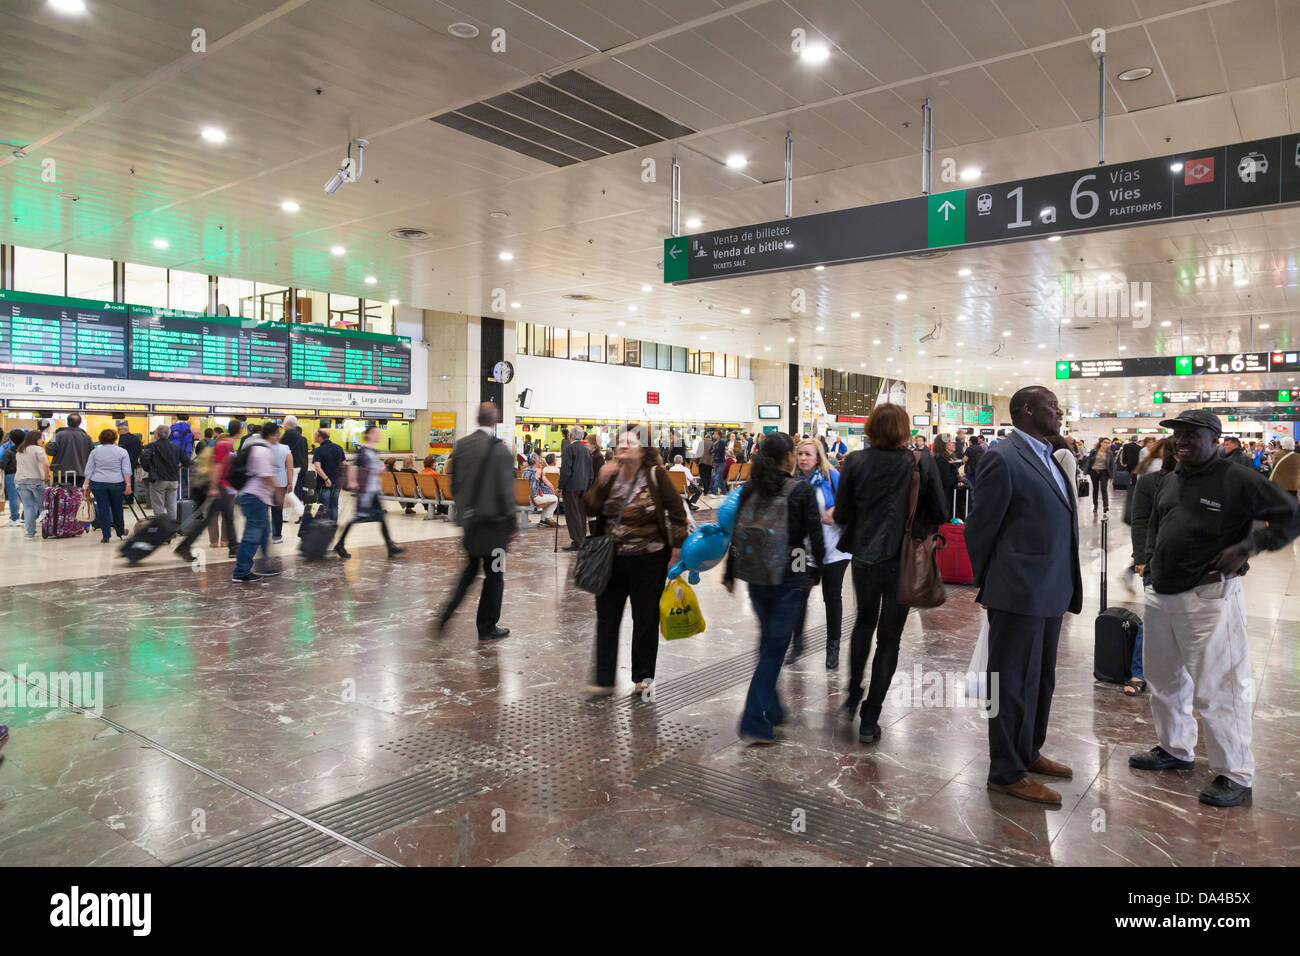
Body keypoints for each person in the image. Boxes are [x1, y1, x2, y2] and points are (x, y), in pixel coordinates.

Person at [1128, 410, 1300, 807]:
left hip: (1209, 596)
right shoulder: (1171, 480)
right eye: (1177, 435)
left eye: (1192, 434)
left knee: (1220, 687)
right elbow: (1156, 522)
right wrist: (1150, 563)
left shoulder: (1237, 478)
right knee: (1163, 679)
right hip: (1161, 593)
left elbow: (1291, 516)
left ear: (1216, 438)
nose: (1181, 441)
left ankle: (1235, 772)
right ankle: (1175, 749)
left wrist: (1247, 547)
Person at [965, 386, 1082, 807]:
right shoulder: (1004, 457)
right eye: (1053, 406)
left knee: (1040, 680)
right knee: (1011, 682)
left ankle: (1029, 750)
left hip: (1050, 588)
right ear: (1028, 411)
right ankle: (1006, 771)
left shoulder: (1047, 455)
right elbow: (980, 527)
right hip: (1018, 591)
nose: (1059, 412)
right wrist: (996, 579)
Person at [834, 404, 948, 742]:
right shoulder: (918, 461)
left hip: (865, 558)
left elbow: (842, 513)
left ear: (870, 427)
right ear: (904, 429)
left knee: (863, 623)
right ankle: (871, 717)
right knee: (890, 638)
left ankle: (853, 690)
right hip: (902, 562)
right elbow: (940, 511)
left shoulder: (854, 461)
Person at [724, 433, 825, 743]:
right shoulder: (801, 489)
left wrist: (730, 571)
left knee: (769, 640)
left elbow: (737, 530)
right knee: (774, 647)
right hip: (790, 575)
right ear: (788, 458)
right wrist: (816, 570)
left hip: (756, 575)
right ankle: (754, 720)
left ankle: (775, 708)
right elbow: (814, 536)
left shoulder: (750, 488)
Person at [584, 424, 689, 698]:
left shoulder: (655, 476)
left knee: (645, 618)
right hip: (611, 561)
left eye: (631, 442)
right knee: (607, 618)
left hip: (649, 560)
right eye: (621, 441)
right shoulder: (610, 474)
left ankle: (643, 675)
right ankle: (604, 678)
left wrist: (676, 551)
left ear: (643, 450)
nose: (624, 445)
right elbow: (590, 508)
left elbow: (677, 514)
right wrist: (600, 480)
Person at [436, 403, 516, 640]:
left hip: (472, 526)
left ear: (477, 418)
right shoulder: (500, 450)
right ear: (495, 422)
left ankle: (447, 612)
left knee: (470, 571)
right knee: (495, 576)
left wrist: (466, 513)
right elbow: (505, 492)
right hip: (496, 530)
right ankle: (487, 626)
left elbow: (454, 485)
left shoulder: (461, 445)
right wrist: (512, 524)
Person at [789, 438, 850, 668]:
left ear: (818, 457)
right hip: (801, 549)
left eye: (808, 454)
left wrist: (835, 509)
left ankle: (832, 647)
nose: (803, 458)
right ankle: (797, 643)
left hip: (834, 549)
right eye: (800, 453)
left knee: (832, 598)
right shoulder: (792, 480)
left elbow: (850, 501)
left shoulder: (831, 477)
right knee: (797, 595)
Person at [1127, 439, 1178, 697]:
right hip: (1157, 560)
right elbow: (1140, 521)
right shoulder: (1150, 482)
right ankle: (1139, 671)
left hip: (1196, 568)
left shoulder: (1208, 482)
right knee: (1154, 619)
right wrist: (1141, 558)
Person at [334, 425, 404, 560]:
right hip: (366, 493)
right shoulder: (363, 450)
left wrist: (380, 469)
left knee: (381, 517)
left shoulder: (373, 451)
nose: (379, 435)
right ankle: (340, 544)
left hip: (374, 491)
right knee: (358, 518)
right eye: (376, 433)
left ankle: (390, 546)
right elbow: (354, 466)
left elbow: (374, 468)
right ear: (369, 435)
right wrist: (353, 481)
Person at [175, 420, 240, 562]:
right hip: (217, 487)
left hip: (218, 486)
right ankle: (184, 546)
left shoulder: (223, 444)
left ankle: (234, 547)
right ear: (239, 431)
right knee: (210, 520)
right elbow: (217, 466)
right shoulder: (225, 445)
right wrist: (213, 487)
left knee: (226, 517)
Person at [231, 422, 283, 583]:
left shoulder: (257, 446)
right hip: (254, 497)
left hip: (255, 496)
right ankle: (241, 571)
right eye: (277, 434)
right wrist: (278, 493)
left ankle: (266, 564)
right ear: (272, 435)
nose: (279, 438)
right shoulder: (262, 451)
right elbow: (267, 476)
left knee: (264, 531)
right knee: (252, 534)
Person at [83, 428, 132, 542]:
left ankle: (106, 535)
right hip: (117, 483)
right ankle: (120, 531)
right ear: (115, 438)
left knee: (103, 508)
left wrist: (86, 485)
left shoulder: (95, 452)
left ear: (100, 439)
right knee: (117, 508)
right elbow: (126, 470)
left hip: (98, 483)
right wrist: (128, 484)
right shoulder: (122, 452)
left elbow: (89, 469)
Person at [140, 424, 189, 520]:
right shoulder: (176, 447)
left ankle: (161, 529)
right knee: (172, 506)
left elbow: (144, 458)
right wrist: (179, 466)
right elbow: (187, 462)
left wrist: (149, 469)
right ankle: (172, 530)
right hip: (173, 480)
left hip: (158, 479)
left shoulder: (152, 446)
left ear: (157, 435)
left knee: (158, 506)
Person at [559, 425, 594, 552]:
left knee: (573, 515)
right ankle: (582, 539)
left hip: (571, 487)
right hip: (584, 486)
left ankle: (577, 542)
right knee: (581, 514)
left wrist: (560, 486)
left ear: (570, 436)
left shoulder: (569, 449)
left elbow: (566, 470)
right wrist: (588, 485)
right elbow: (591, 472)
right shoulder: (586, 451)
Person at [13, 429, 50, 538]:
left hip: (20, 481)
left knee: (28, 507)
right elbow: (46, 464)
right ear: (37, 439)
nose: (42, 441)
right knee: (43, 507)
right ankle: (47, 530)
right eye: (41, 439)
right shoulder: (38, 449)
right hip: (36, 481)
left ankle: (30, 532)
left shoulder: (20, 450)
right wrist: (46, 477)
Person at [45, 413, 93, 486]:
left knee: (61, 495)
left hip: (61, 473)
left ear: (67, 422)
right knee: (76, 495)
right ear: (80, 423)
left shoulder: (56, 434)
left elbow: (49, 451)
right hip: (80, 473)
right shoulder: (87, 437)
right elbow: (91, 455)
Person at [311, 428, 345, 522]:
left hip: (324, 484)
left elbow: (317, 468)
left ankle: (324, 530)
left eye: (315, 435)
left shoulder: (318, 450)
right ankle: (333, 526)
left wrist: (326, 479)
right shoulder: (339, 448)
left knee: (324, 506)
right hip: (337, 482)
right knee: (334, 506)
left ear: (320, 437)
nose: (314, 437)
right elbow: (344, 465)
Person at [268, 424, 294, 543]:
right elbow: (290, 468)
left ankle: (262, 536)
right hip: (281, 482)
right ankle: (276, 536)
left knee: (263, 509)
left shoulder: (263, 447)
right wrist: (290, 483)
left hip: (265, 482)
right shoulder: (285, 448)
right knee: (277, 510)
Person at [521, 453, 558, 526]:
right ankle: (548, 518)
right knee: (554, 498)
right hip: (534, 499)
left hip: (524, 498)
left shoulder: (524, 471)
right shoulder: (538, 471)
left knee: (548, 498)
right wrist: (553, 492)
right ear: (536, 462)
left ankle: (543, 520)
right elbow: (550, 485)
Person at [281, 415, 309, 504]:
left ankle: (299, 510)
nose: (283, 425)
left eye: (283, 423)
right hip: (300, 465)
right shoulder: (298, 435)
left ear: (287, 423)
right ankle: (299, 507)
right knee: (296, 490)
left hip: (293, 465)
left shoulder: (289, 433)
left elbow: (281, 448)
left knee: (289, 491)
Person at [1, 428, 24, 526]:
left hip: (11, 475)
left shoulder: (9, 451)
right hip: (24, 475)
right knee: (25, 498)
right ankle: (26, 517)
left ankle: (15, 519)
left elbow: (2, 465)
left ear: (12, 439)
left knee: (13, 498)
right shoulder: (25, 450)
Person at [1087, 438, 1113, 515]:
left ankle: (1106, 505)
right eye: (1105, 442)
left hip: (1104, 473)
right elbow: (1089, 462)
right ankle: (1095, 505)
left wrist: (1112, 476)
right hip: (1094, 472)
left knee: (1104, 489)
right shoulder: (1094, 451)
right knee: (1095, 489)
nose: (1106, 444)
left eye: (1108, 443)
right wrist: (1085, 472)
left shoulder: (1110, 453)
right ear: (1101, 443)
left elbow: (1111, 465)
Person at [116, 421, 142, 486]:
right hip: (133, 463)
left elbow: (121, 452)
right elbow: (139, 450)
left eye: (118, 430)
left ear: (122, 430)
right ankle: (131, 494)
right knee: (131, 481)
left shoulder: (123, 438)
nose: (118, 432)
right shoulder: (135, 438)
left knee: (125, 482)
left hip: (125, 464)